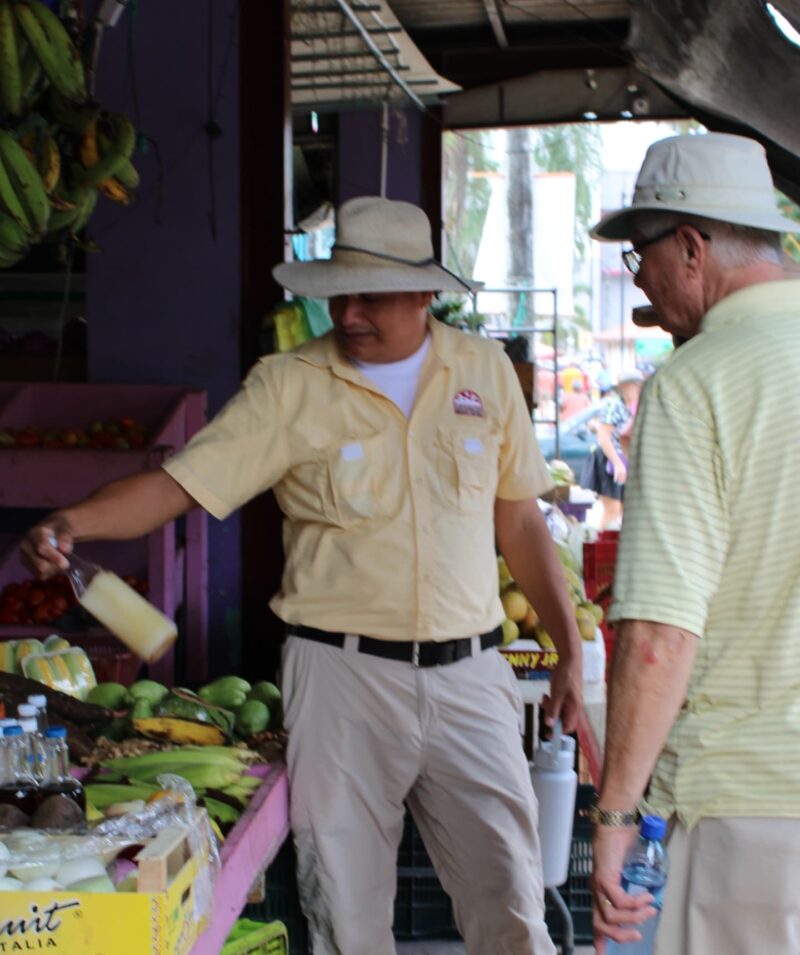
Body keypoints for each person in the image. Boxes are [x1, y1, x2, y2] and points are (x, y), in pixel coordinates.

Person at [21, 196, 583, 955]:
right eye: (337, 292)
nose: (348, 312)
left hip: (472, 675)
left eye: (371, 295)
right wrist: (73, 522)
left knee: (512, 905)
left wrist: (568, 647)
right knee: (346, 917)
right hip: (340, 679)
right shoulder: (288, 384)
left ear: (425, 294)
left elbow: (518, 520)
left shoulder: (481, 370)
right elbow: (178, 484)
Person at [586, 132, 800, 954]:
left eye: (641, 254)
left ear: (691, 246)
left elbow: (657, 637)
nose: (636, 277)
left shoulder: (697, 380)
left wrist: (613, 815)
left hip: (748, 816)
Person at [579, 372, 642, 528]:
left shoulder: (633, 407)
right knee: (612, 510)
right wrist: (618, 463)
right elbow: (603, 435)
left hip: (624, 460)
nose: (635, 389)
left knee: (623, 510)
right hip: (609, 461)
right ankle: (602, 545)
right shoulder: (614, 405)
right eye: (632, 385)